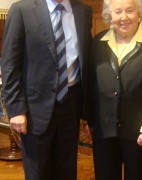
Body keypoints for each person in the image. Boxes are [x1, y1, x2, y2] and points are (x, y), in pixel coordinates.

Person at [1, 0, 92, 179]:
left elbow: (85, 61)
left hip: (71, 104)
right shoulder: (22, 10)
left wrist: (88, 112)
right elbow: (10, 64)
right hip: (35, 109)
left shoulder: (83, 11)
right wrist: (16, 109)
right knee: (38, 172)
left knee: (67, 169)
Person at [88, 0, 142, 179]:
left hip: (140, 131)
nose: (124, 17)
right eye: (118, 12)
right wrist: (92, 121)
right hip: (105, 130)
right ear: (110, 16)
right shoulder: (98, 42)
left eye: (129, 11)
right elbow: (91, 84)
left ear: (138, 12)